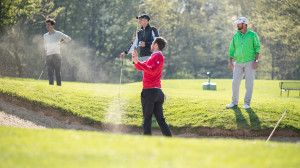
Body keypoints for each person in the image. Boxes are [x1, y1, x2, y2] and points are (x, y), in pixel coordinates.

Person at [132, 37, 172, 137]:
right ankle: (170, 140)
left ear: (156, 45)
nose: (151, 45)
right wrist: (135, 61)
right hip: (156, 92)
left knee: (147, 119)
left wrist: (138, 62)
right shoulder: (152, 57)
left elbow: (152, 70)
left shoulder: (158, 56)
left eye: (152, 43)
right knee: (160, 119)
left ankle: (147, 142)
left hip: (151, 92)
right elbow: (141, 66)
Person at [226, 17, 261, 109]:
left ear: (244, 24)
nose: (237, 25)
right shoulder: (235, 36)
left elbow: (257, 48)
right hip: (238, 63)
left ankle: (247, 103)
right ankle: (234, 102)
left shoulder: (253, 35)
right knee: (235, 82)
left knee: (249, 83)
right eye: (237, 23)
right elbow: (231, 50)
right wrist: (230, 62)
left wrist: (256, 61)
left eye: (239, 23)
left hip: (250, 62)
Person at [43, 18, 71, 86]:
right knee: (50, 73)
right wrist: (46, 57)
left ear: (53, 26)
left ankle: (59, 86)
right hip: (48, 56)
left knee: (57, 73)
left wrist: (61, 43)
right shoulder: (45, 35)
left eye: (49, 25)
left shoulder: (57, 33)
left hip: (56, 55)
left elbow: (68, 39)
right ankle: (51, 86)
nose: (47, 26)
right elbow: (45, 47)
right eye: (46, 25)